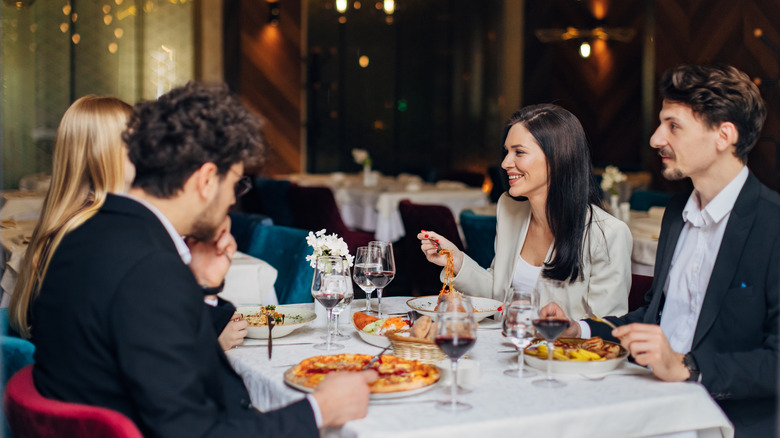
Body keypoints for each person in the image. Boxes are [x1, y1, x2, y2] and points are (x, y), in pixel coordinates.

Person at [29, 82, 376, 437]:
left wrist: (204, 287)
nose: (232, 201)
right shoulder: (150, 269)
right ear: (207, 180)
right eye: (236, 185)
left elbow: (148, 344)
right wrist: (319, 411)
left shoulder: (93, 232)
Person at [550, 64, 778, 437]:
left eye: (673, 126)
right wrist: (579, 328)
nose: (656, 139)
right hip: (653, 402)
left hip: (723, 420)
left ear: (723, 135)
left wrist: (688, 367)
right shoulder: (677, 214)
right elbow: (657, 318)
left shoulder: (772, 226)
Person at [7, 95, 248, 351]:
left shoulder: (70, 221)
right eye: (139, 143)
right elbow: (145, 337)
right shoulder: (101, 235)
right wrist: (210, 339)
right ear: (104, 153)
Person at [419, 104, 632, 319]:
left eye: (519, 152)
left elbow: (607, 330)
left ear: (557, 158)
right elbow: (499, 296)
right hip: (508, 344)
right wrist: (456, 260)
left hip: (557, 351)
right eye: (506, 152)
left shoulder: (608, 234)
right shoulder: (510, 209)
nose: (505, 163)